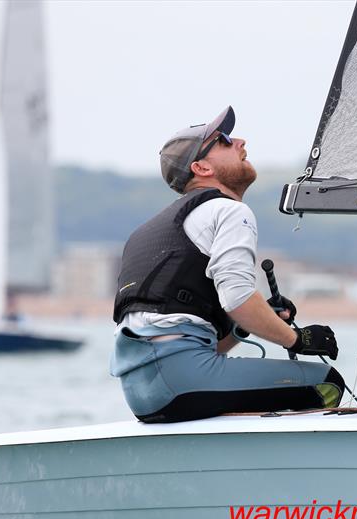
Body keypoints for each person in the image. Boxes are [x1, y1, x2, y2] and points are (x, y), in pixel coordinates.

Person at [111, 106, 344, 423]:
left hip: (142, 392)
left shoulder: (148, 231)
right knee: (327, 383)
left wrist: (252, 323)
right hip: (180, 379)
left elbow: (206, 342)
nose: (240, 141)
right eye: (224, 140)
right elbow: (238, 299)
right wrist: (298, 340)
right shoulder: (229, 211)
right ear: (201, 167)